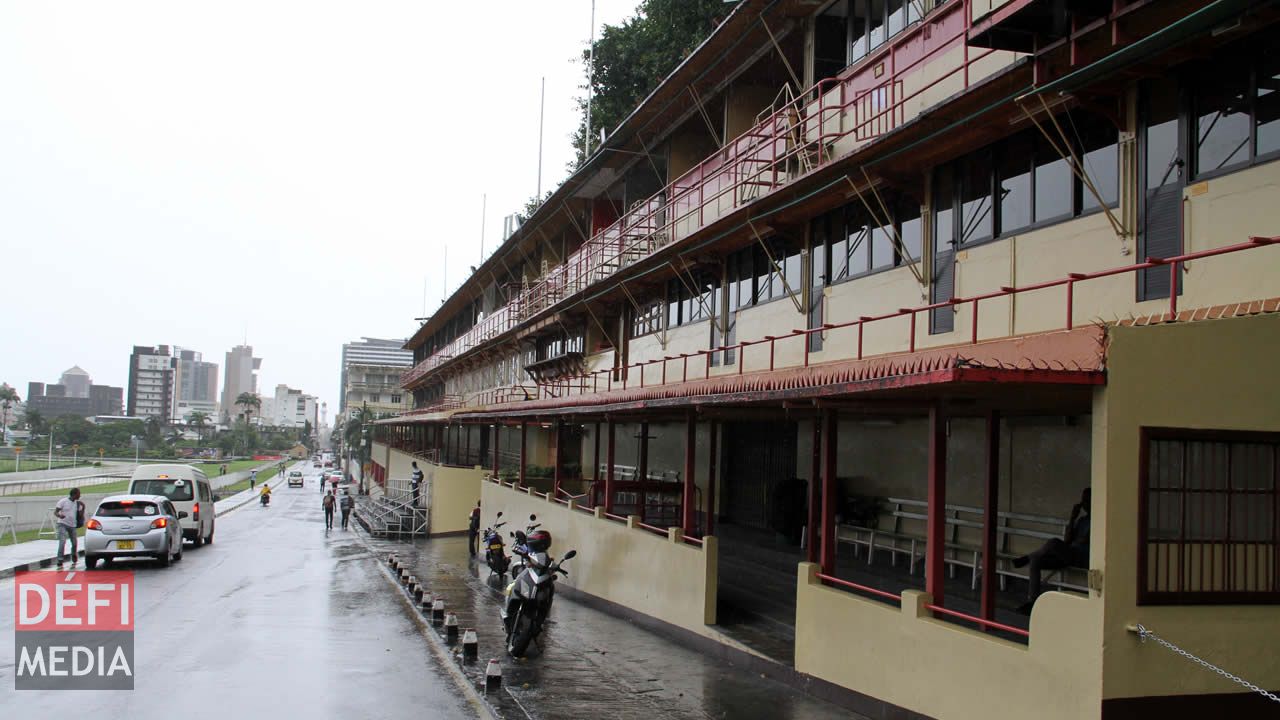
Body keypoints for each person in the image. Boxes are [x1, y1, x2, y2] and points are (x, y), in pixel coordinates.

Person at [1014, 488, 1091, 613]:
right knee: (1036, 561)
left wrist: (1072, 543)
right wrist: (1072, 518)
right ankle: (1032, 601)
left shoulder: (1097, 520)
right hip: (1070, 554)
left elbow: (1083, 540)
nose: (1084, 503)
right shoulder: (1082, 521)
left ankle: (1027, 557)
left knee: (1054, 542)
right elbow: (1067, 540)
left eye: (1087, 500)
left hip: (1082, 557)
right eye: (1083, 500)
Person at [53, 488, 83, 568]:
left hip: (72, 525)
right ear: (74, 494)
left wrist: (83, 508)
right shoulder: (63, 501)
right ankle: (60, 559)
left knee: (74, 543)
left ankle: (73, 555)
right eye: (78, 494)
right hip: (62, 524)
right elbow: (55, 512)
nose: (80, 495)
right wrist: (60, 515)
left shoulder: (78, 504)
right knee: (62, 542)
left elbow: (80, 515)